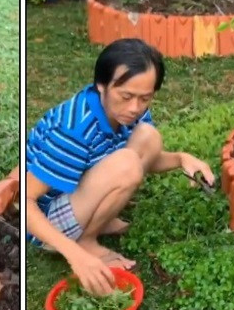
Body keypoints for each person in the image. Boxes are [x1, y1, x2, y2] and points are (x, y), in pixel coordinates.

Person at [25, 38, 214, 295]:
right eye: (126, 96)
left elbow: (146, 159)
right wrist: (74, 255)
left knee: (148, 136)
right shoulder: (73, 130)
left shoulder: (129, 111)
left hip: (79, 191)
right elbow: (25, 202)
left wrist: (181, 158)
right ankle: (85, 242)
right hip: (47, 222)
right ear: (101, 85)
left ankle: (97, 222)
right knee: (127, 163)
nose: (135, 108)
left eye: (145, 98)